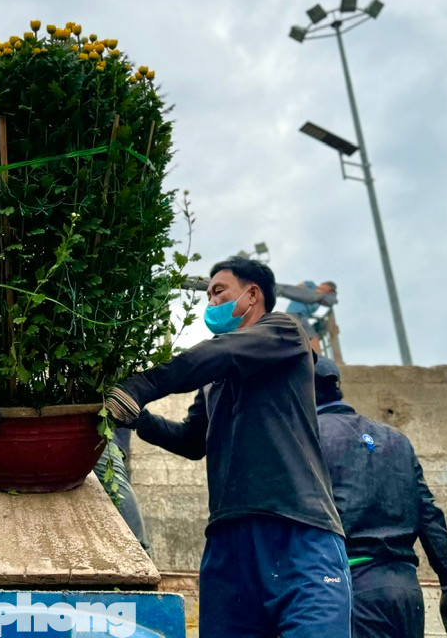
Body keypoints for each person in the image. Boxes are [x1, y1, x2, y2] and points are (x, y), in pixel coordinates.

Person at [104, 255, 349, 638]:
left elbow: (220, 353)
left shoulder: (285, 332)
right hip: (228, 542)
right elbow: (191, 441)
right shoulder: (213, 381)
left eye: (219, 291)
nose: (211, 303)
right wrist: (139, 419)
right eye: (207, 296)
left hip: (297, 531)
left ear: (252, 295)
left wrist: (143, 385)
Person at [313, 357, 447, 638]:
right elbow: (429, 515)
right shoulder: (396, 439)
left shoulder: (308, 436)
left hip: (350, 588)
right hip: (406, 592)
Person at [283, 280, 337, 353]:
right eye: (329, 289)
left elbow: (332, 301)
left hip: (301, 317)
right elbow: (297, 289)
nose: (328, 291)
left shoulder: (320, 300)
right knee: (312, 337)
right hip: (295, 314)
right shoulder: (311, 285)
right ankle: (318, 361)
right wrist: (311, 294)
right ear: (325, 285)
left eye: (330, 291)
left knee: (310, 334)